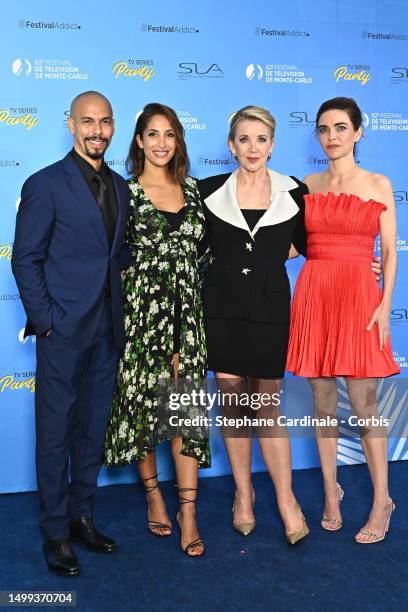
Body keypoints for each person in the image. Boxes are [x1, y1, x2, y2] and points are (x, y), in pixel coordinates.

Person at [11, 91, 130, 575]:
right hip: (63, 332)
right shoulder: (45, 184)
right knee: (55, 434)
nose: (96, 130)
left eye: (104, 122)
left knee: (91, 431)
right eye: (87, 122)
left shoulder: (121, 187)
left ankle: (83, 517)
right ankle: (56, 532)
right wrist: (48, 321)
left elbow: (114, 259)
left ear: (113, 126)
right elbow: (25, 258)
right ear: (70, 124)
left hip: (107, 330)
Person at [286, 96, 399, 543]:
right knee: (322, 401)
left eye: (340, 128)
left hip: (359, 298)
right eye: (324, 129)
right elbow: (293, 245)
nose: (331, 137)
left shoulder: (377, 182)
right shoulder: (306, 185)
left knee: (364, 401)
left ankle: (381, 500)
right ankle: (331, 493)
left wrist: (384, 304)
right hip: (315, 294)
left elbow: (389, 251)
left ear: (358, 132)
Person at [198, 105, 310, 544]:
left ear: (272, 145)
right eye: (244, 139)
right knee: (232, 404)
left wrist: (260, 262)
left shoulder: (294, 193)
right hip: (222, 309)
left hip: (269, 310)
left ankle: (286, 500)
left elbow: (303, 246)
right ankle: (243, 495)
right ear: (231, 145)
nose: (252, 148)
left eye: (261, 139)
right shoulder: (208, 192)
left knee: (267, 406)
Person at [104, 103, 209, 557]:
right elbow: (108, 255)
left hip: (188, 315)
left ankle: (189, 511)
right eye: (152, 134)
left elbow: (212, 253)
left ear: (177, 141)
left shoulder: (195, 190)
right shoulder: (124, 192)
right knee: (145, 408)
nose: (161, 143)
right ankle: (153, 497)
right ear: (140, 141)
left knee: (183, 408)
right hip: (141, 313)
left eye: (169, 134)